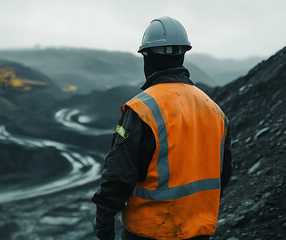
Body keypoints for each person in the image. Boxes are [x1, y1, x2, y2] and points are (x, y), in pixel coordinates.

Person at [92, 16, 232, 240]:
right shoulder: (215, 111)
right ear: (183, 54)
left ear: (147, 56)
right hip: (198, 231)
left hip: (148, 231)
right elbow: (223, 174)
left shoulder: (141, 110)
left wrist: (104, 226)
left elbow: (118, 176)